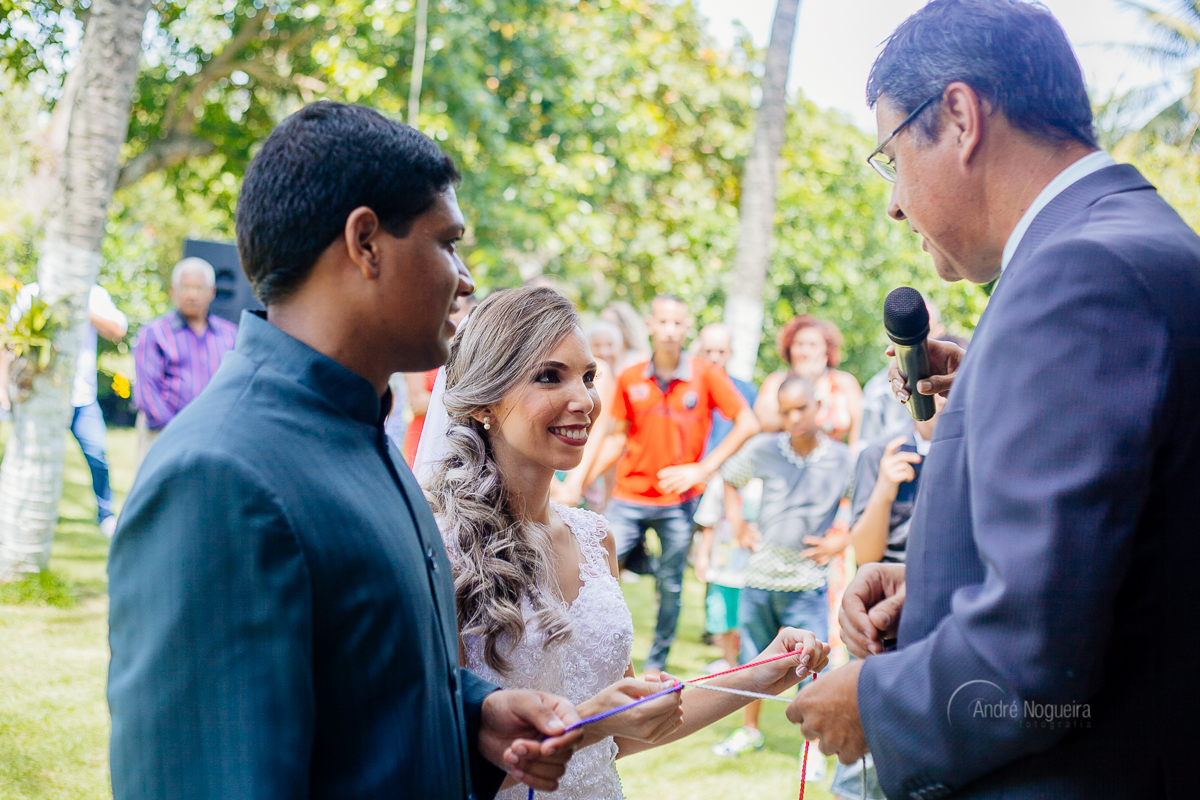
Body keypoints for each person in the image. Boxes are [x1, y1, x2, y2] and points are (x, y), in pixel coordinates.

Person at [107, 101, 583, 800]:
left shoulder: (368, 435)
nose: (467, 279)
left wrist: (475, 712)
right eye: (447, 242)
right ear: (366, 242)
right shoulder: (219, 477)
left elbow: (366, 688)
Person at [786, 3, 1200, 799]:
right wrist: (936, 583)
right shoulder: (1135, 242)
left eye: (891, 158)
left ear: (960, 116)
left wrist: (874, 702)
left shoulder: (1078, 279)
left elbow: (1035, 654)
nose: (895, 204)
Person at [420, 285, 829, 800]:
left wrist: (768, 670)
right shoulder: (441, 549)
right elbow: (440, 759)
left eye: (588, 377)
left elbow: (625, 730)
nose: (584, 400)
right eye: (550, 376)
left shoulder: (595, 537)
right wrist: (589, 722)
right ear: (484, 401)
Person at [592, 294, 761, 675]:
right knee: (596, 571)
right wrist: (579, 480)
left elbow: (747, 422)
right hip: (629, 495)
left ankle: (656, 666)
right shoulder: (631, 377)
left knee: (670, 586)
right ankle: (601, 653)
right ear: (650, 324)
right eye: (662, 322)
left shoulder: (705, 374)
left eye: (677, 323)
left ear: (687, 328)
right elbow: (617, 437)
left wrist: (703, 469)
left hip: (677, 502)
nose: (669, 330)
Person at [710, 376, 853, 779]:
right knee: (752, 658)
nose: (795, 418)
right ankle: (749, 731)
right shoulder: (764, 448)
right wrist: (738, 524)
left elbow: (866, 507)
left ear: (817, 405)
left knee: (811, 666)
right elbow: (728, 478)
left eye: (801, 409)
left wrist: (839, 542)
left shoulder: (844, 459)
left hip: (807, 582)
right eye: (786, 410)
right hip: (759, 577)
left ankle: (812, 750)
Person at [13, 281, 127, 536]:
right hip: (40, 398)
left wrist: (82, 308)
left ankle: (106, 514)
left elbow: (118, 329)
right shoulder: (31, 293)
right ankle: (27, 512)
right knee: (30, 456)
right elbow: (9, 340)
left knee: (97, 454)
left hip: (82, 398)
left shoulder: (94, 294)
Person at [132, 257, 238, 468]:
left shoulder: (230, 335)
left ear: (212, 292)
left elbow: (236, 387)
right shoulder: (154, 334)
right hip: (163, 436)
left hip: (215, 441)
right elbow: (147, 395)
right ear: (174, 291)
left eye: (199, 288)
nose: (192, 294)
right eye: (186, 287)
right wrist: (181, 434)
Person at [755, 315, 863, 446]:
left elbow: (858, 435)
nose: (805, 351)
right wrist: (804, 381)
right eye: (799, 344)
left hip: (833, 461)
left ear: (826, 350)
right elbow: (766, 423)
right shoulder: (776, 381)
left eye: (813, 345)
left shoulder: (845, 382)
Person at [403, 294, 477, 464]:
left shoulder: (471, 354)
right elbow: (417, 402)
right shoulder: (420, 350)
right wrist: (468, 403)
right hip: (424, 436)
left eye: (457, 310)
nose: (451, 315)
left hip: (459, 440)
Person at [857, 300, 944, 446]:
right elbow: (865, 448)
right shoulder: (878, 390)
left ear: (940, 332)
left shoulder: (958, 379)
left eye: (924, 331)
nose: (915, 340)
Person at [599, 300, 649, 371]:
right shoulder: (604, 359)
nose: (605, 329)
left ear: (624, 328)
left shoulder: (640, 360)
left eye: (609, 325)